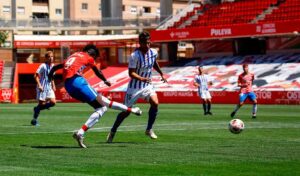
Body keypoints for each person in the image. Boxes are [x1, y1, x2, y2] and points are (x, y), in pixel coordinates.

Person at [48, 44, 142, 148]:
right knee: (102, 107)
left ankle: (132, 110)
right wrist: (105, 80)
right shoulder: (88, 57)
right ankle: (80, 133)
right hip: (77, 81)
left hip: (68, 86)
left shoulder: (73, 56)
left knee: (103, 102)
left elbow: (56, 67)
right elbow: (97, 71)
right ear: (92, 54)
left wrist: (49, 76)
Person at [106, 31, 167, 143]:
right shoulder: (134, 56)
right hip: (134, 87)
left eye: (149, 43)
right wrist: (142, 78)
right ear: (140, 43)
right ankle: (113, 130)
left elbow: (154, 63)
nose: (147, 45)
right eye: (145, 43)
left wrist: (161, 73)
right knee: (126, 112)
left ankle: (149, 129)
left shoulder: (153, 52)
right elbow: (131, 73)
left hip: (147, 85)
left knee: (155, 103)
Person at [31, 51, 56, 126]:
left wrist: (53, 85)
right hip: (42, 88)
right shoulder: (43, 66)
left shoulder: (53, 66)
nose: (51, 58)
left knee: (53, 102)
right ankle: (34, 120)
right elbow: (35, 75)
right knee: (41, 104)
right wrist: (39, 85)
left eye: (52, 56)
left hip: (49, 88)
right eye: (49, 57)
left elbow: (51, 77)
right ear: (46, 58)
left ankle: (37, 109)